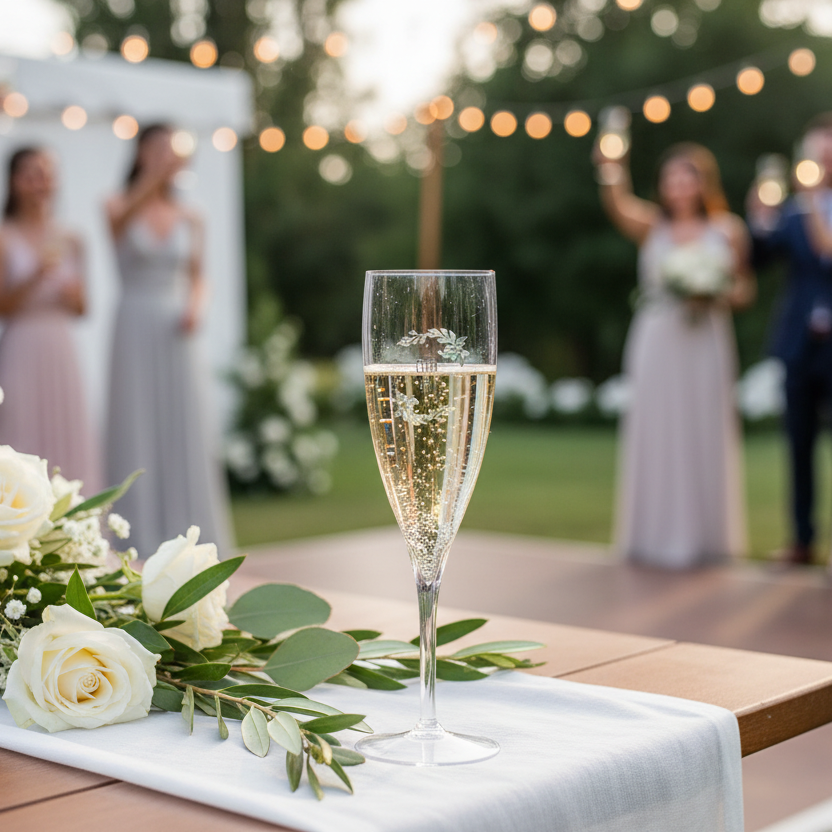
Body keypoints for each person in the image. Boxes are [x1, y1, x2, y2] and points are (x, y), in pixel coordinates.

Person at [596, 142, 755, 569]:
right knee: (658, 429)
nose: (680, 185)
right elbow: (616, 203)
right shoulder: (651, 226)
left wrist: (713, 290)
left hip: (705, 340)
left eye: (689, 176)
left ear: (704, 182)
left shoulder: (728, 229)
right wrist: (610, 167)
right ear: (663, 185)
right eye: (672, 177)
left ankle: (706, 538)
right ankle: (653, 536)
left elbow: (745, 290)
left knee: (703, 427)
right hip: (658, 339)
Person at [106, 123, 232, 557]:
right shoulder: (116, 204)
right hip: (135, 326)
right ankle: (135, 537)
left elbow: (200, 277)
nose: (165, 155)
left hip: (178, 332)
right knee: (136, 425)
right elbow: (119, 221)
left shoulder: (192, 215)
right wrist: (156, 176)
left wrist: (197, 307)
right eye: (156, 147)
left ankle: (190, 536)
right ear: (140, 153)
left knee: (184, 427)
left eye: (170, 149)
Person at [748, 114, 832, 566]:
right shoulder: (795, 212)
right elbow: (760, 258)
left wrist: (814, 202)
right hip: (800, 347)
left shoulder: (809, 208)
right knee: (798, 446)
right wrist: (760, 222)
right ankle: (802, 540)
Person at [0, 147, 100, 489]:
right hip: (22, 344)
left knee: (67, 432)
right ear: (14, 181)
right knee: (21, 429)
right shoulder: (4, 236)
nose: (40, 182)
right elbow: (4, 306)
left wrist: (73, 295)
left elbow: (84, 309)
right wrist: (35, 276)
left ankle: (75, 529)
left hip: (61, 345)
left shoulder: (72, 238)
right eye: (31, 174)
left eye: (46, 174)